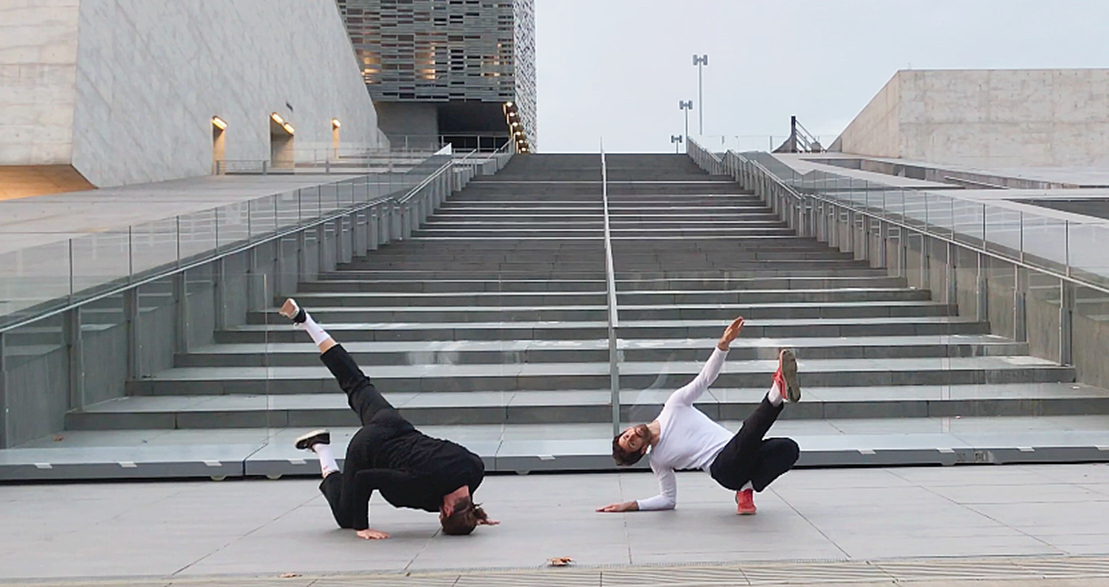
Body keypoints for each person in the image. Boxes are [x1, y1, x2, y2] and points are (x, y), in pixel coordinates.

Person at [280, 298, 498, 539]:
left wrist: (475, 516)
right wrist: (361, 526)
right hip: (368, 447)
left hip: (394, 423)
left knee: (356, 383)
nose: (438, 513)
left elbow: (460, 494)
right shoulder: (422, 483)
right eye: (441, 516)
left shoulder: (475, 469)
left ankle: (306, 321)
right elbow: (365, 478)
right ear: (446, 509)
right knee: (346, 517)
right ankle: (321, 448)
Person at [598, 317, 801, 515]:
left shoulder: (675, 405)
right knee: (748, 434)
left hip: (741, 452)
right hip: (723, 469)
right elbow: (668, 499)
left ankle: (746, 488)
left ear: (628, 429)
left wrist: (722, 346)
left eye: (627, 436)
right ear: (642, 450)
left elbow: (704, 379)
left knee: (789, 449)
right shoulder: (658, 460)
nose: (632, 437)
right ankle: (777, 390)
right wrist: (632, 505)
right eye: (632, 443)